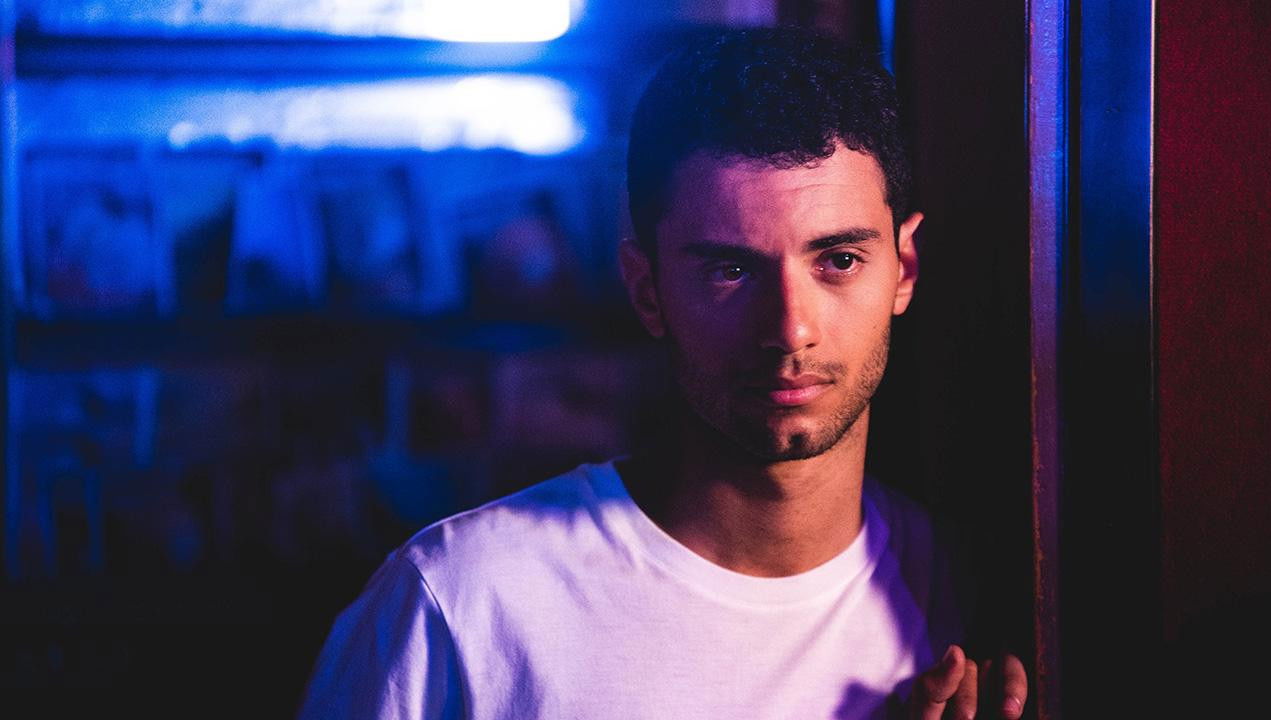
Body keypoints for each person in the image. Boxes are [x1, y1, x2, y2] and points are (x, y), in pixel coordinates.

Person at [298, 27, 1027, 720]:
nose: (790, 329)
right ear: (647, 290)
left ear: (904, 269)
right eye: (730, 270)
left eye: (839, 260)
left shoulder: (978, 598)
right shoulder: (461, 602)